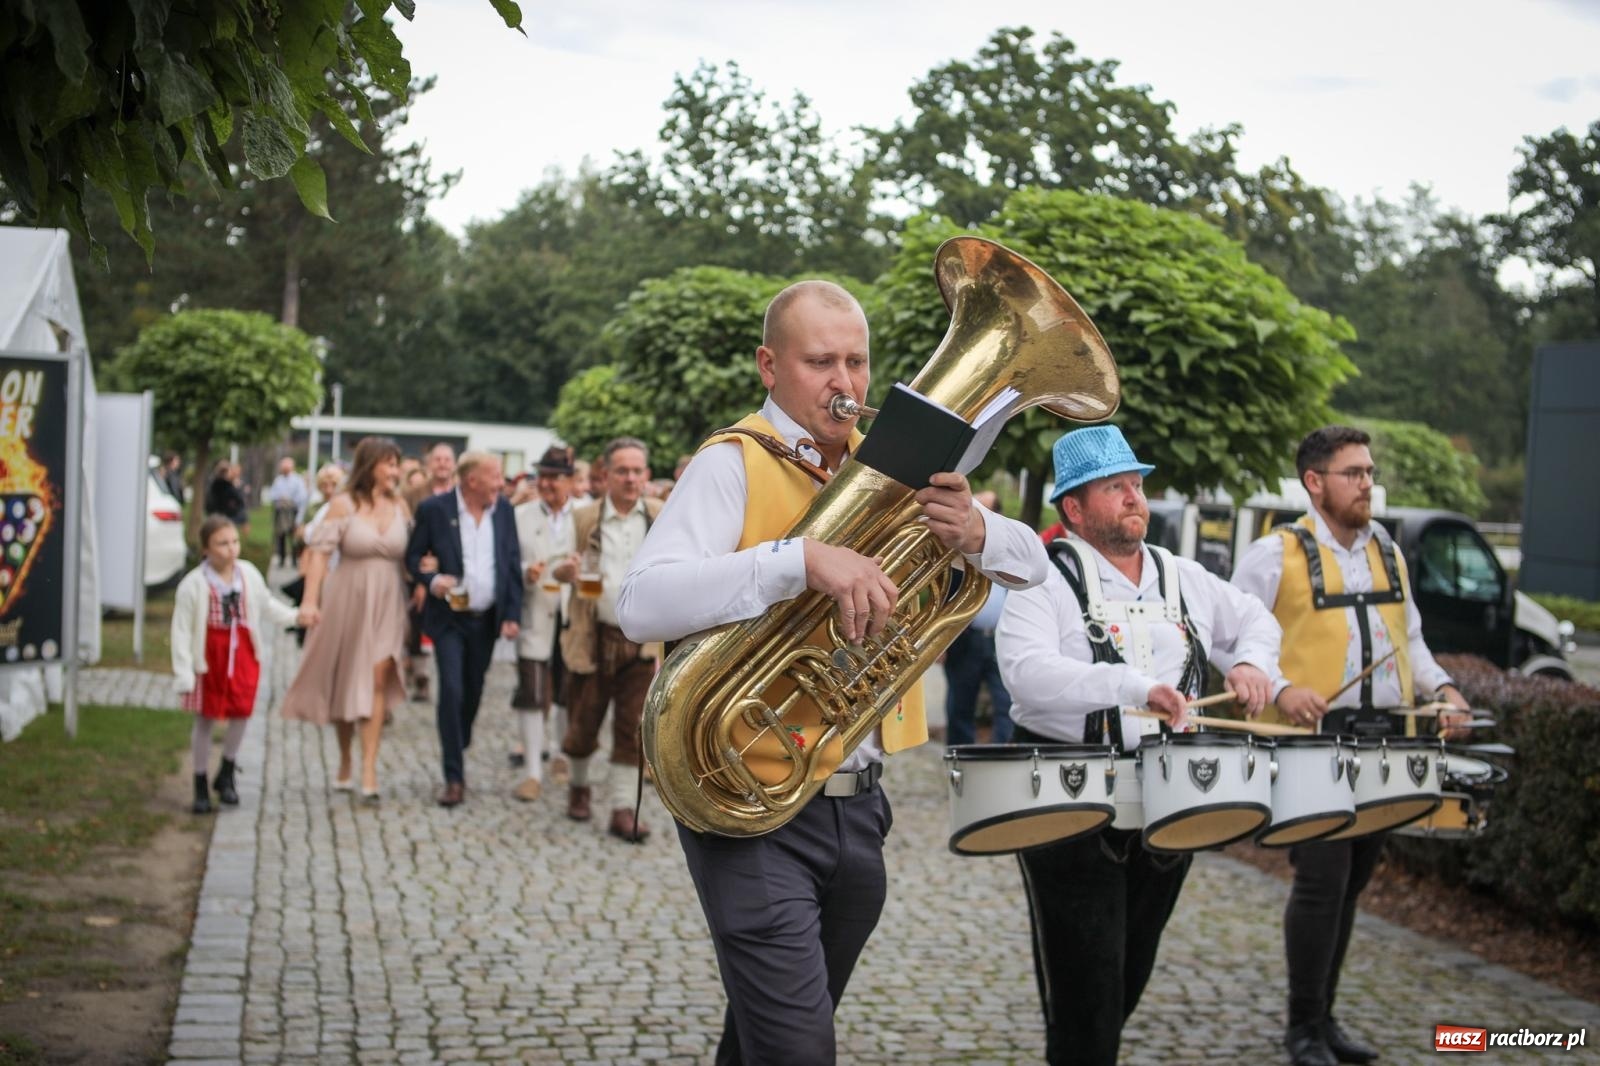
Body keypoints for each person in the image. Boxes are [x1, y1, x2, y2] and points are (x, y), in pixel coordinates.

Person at [618, 279, 1048, 1065]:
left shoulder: (897, 469)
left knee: (766, 1037)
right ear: (769, 366)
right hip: (745, 796)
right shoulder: (732, 463)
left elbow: (1035, 565)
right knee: (798, 1048)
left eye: (856, 361)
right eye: (820, 362)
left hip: (859, 806)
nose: (844, 382)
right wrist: (798, 560)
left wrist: (977, 530)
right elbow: (640, 605)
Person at [994, 424, 1296, 1066]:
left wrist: (1251, 662)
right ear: (1074, 508)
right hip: (1068, 797)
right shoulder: (1042, 578)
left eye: (1136, 485)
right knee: (1087, 977)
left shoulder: (1180, 574)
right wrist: (1132, 686)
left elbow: (1255, 619)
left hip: (1170, 795)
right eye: (1115, 488)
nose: (1135, 497)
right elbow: (1025, 674)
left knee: (1130, 966)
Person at [1230, 425, 1471, 1066]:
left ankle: (1325, 1019)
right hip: (1313, 744)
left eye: (1369, 472)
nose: (1368, 484)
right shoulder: (1272, 554)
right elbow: (1234, 640)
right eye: (1354, 473)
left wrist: (1445, 689)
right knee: (1322, 881)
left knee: (1353, 883)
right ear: (1315, 483)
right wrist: (1282, 689)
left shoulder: (1387, 550)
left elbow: (1408, 639)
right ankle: (1303, 1029)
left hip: (1383, 740)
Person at [280, 437, 411, 802]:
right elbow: (319, 554)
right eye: (389, 464)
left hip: (388, 600)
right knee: (348, 678)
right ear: (370, 466)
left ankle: (369, 766)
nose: (395, 471)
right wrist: (310, 601)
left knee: (378, 677)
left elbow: (412, 554)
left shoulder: (400, 506)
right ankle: (344, 758)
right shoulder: (343, 504)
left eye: (397, 464)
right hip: (348, 597)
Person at [553, 436, 663, 840]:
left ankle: (622, 808)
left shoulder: (660, 515)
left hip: (642, 639)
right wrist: (565, 571)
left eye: (637, 471)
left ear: (646, 475)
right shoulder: (584, 518)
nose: (630, 478)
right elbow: (555, 567)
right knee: (584, 721)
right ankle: (579, 787)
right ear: (607, 475)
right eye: (622, 471)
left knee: (632, 727)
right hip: (593, 637)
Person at [406, 451, 522, 807]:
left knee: (473, 689)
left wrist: (511, 613)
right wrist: (432, 580)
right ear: (472, 480)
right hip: (449, 619)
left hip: (485, 619)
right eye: (495, 476)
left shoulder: (503, 511)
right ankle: (453, 777)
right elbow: (413, 557)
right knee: (452, 690)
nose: (501, 483)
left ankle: (459, 736)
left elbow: (510, 562)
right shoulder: (435, 509)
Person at [173, 516, 306, 814]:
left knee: (241, 711)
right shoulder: (194, 585)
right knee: (206, 717)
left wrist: (295, 617)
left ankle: (227, 770)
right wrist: (184, 671)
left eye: (234, 541)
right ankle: (199, 780)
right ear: (206, 549)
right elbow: (181, 630)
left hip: (243, 651)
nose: (231, 549)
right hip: (210, 656)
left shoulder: (247, 575)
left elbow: (266, 605)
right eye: (222, 543)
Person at [508, 445, 578, 802]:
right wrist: (526, 572)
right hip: (534, 610)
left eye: (556, 477)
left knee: (567, 691)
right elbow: (506, 563)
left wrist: (577, 571)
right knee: (532, 692)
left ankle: (561, 753)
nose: (548, 484)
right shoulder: (519, 515)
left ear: (571, 481)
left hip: (571, 614)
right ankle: (533, 771)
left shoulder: (584, 514)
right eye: (544, 477)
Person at [943, 489, 1016, 744]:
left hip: (1001, 639)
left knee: (1005, 703)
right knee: (960, 704)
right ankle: (959, 757)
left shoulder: (1011, 550)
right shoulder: (956, 549)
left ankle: (1003, 756)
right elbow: (946, 594)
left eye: (984, 510)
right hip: (967, 639)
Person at [267, 457, 309, 567]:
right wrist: (281, 498)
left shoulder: (297, 480)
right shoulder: (278, 480)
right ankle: (282, 559)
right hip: (281, 513)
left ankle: (294, 560)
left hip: (292, 512)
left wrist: (298, 517)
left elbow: (301, 498)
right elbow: (272, 495)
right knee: (281, 536)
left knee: (293, 536)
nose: (284, 469)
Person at [204, 459, 248, 529]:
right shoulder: (226, 485)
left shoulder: (214, 483)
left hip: (213, 514)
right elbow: (239, 500)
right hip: (223, 516)